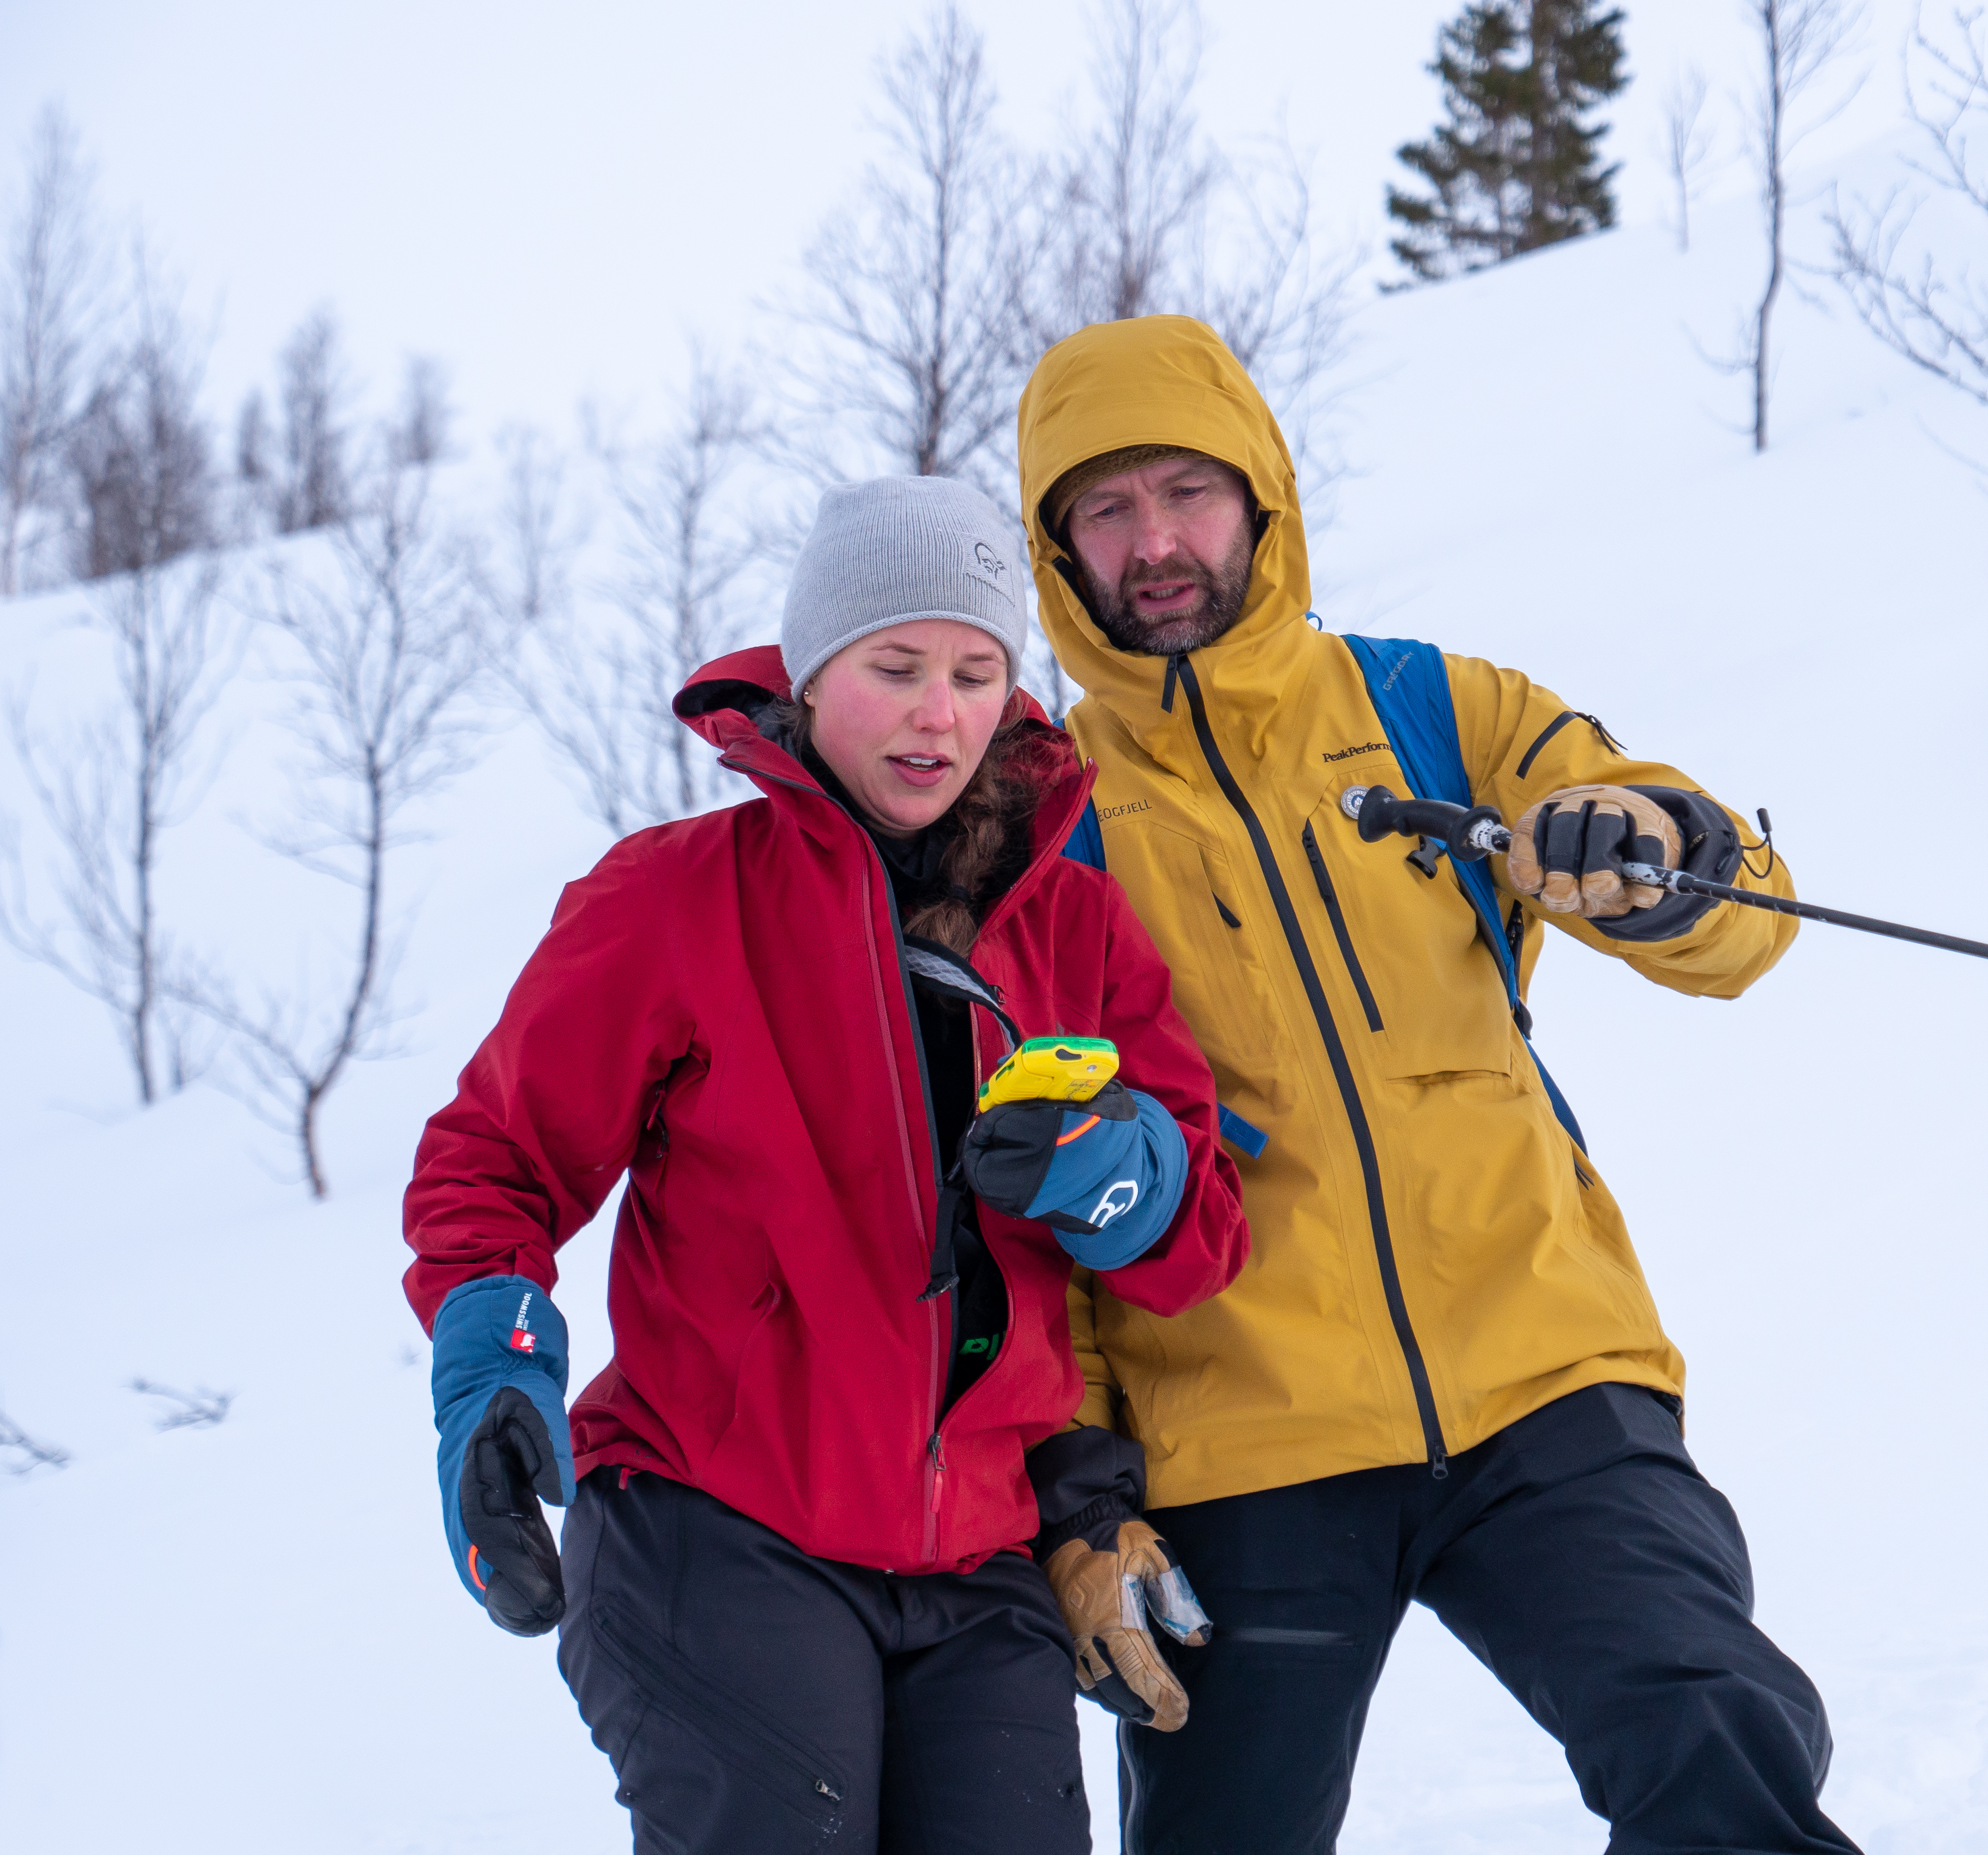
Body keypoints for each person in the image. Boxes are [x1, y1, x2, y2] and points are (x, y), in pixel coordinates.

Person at [1011, 316, 1861, 1854]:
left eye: (1186, 492)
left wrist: (1654, 857)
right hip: (1241, 1439)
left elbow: (1742, 919)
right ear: (1057, 551)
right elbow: (1031, 1200)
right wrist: (1079, 1501)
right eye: (1107, 510)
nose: (1156, 543)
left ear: (1260, 496)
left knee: (1713, 1740)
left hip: (1547, 1376)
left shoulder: (1435, 713)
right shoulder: (1044, 834)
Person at [401, 475, 1249, 1854]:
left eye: (977, 673)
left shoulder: (1074, 928)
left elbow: (1197, 1240)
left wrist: (1114, 1171)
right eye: (895, 667)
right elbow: (494, 1162)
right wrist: (491, 1369)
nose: (939, 713)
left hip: (980, 1563)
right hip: (716, 1528)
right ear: (811, 676)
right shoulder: (677, 898)